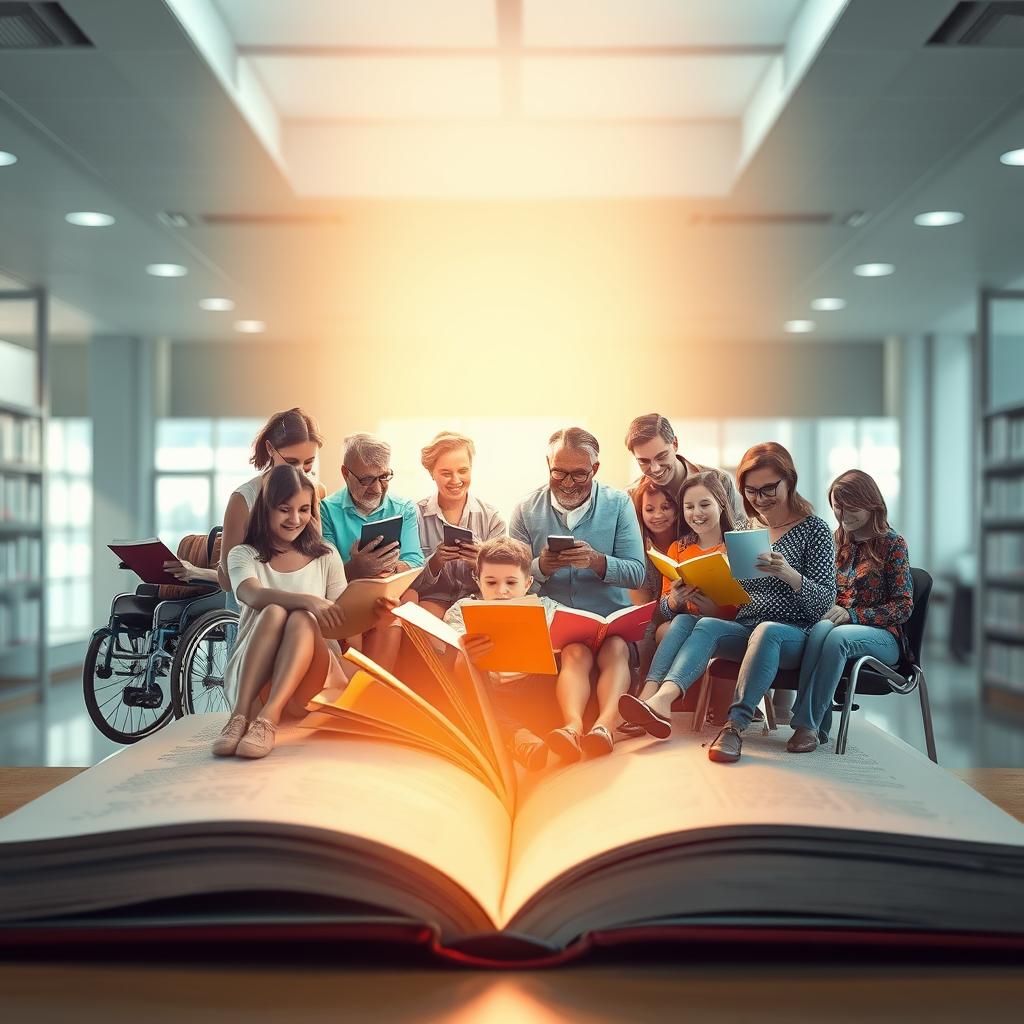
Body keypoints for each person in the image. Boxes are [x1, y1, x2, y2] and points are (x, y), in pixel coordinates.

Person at [617, 442, 836, 764]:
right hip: (745, 626)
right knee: (706, 624)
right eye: (751, 491)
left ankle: (734, 727)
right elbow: (738, 594)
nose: (760, 498)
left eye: (769, 489)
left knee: (767, 630)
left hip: (791, 633)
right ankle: (662, 700)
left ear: (790, 480)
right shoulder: (748, 529)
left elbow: (825, 602)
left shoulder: (814, 529)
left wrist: (789, 574)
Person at [214, 465, 391, 760]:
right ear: (266, 509)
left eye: (304, 509)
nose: (295, 519)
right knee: (273, 611)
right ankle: (240, 715)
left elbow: (348, 632)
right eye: (285, 509)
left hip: (313, 681)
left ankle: (268, 720)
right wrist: (308, 600)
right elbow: (249, 594)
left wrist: (375, 616)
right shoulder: (243, 554)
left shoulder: (326, 555)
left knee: (302, 619)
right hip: (256, 680)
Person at [509, 427, 646, 760]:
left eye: (579, 474)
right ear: (548, 465)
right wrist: (541, 567)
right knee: (573, 652)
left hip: (609, 621)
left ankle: (604, 728)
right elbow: (511, 582)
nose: (568, 483)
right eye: (559, 473)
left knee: (616, 648)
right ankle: (572, 728)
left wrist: (598, 562)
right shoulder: (526, 509)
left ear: (595, 469)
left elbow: (636, 572)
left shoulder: (618, 504)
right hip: (559, 628)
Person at [787, 470, 913, 753]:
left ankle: (806, 724)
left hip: (883, 637)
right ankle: (818, 727)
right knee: (821, 629)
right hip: (836, 629)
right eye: (837, 507)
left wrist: (853, 615)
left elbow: (903, 606)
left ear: (871, 504)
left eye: (851, 508)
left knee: (837, 637)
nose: (843, 515)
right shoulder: (835, 541)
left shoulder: (893, 544)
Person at [163, 407, 324, 589]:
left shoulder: (315, 490)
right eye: (291, 462)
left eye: (309, 462)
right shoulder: (243, 499)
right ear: (270, 449)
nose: (300, 472)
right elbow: (228, 581)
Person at [444, 537, 562, 771]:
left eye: (511, 582)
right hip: (490, 693)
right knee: (459, 659)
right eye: (491, 583)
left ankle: (554, 732)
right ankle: (517, 737)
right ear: (478, 581)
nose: (501, 591)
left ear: (527, 583)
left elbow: (568, 633)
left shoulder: (547, 607)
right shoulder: (461, 610)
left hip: (535, 690)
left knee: (572, 655)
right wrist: (469, 651)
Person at [319, 433, 424, 671]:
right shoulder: (326, 510)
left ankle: (374, 688)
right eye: (366, 479)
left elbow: (415, 559)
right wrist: (355, 568)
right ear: (345, 473)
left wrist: (388, 569)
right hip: (345, 596)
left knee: (393, 614)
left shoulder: (404, 507)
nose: (377, 488)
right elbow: (324, 571)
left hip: (387, 597)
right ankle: (357, 686)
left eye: (383, 477)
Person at [413, 431, 506, 617]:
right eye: (446, 473)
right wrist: (435, 562)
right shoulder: (415, 516)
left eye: (463, 471)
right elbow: (407, 581)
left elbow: (506, 579)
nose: (456, 480)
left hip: (477, 601)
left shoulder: (492, 517)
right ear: (431, 473)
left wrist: (482, 562)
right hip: (432, 600)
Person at [625, 413, 744, 520]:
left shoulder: (720, 481)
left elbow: (739, 529)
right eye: (643, 461)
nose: (655, 469)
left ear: (675, 444)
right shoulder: (631, 497)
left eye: (661, 456)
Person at [628, 477, 679, 605]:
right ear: (641, 511)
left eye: (665, 507)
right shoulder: (636, 553)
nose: (658, 515)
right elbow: (642, 608)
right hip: (654, 615)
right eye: (650, 509)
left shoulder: (689, 541)